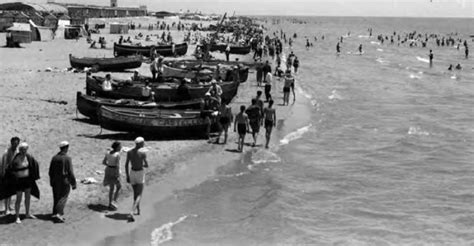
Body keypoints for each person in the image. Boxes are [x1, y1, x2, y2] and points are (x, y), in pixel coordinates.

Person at [8, 142, 40, 224]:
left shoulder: (28, 157)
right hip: (19, 181)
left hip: (27, 180)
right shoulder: (16, 158)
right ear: (19, 150)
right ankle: (17, 216)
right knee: (19, 199)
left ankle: (27, 213)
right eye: (22, 149)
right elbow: (11, 169)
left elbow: (34, 165)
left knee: (28, 197)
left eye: (25, 149)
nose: (23, 151)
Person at [49, 141, 76, 223]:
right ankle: (58, 213)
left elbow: (50, 171)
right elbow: (70, 172)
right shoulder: (67, 158)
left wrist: (51, 180)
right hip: (64, 180)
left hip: (55, 180)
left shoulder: (54, 157)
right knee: (63, 197)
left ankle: (54, 212)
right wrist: (73, 183)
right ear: (66, 148)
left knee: (56, 196)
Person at [125, 137, 149, 222]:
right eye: (143, 143)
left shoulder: (129, 152)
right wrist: (142, 164)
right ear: (140, 144)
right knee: (139, 195)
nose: (144, 144)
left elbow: (126, 164)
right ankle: (132, 212)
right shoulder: (142, 153)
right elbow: (146, 165)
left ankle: (138, 210)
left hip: (132, 172)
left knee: (135, 193)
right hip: (139, 173)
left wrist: (127, 175)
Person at [0, 136, 19, 215]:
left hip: (13, 174)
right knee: (6, 192)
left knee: (11, 191)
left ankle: (9, 206)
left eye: (17, 144)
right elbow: (3, 164)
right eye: (14, 143)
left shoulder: (17, 151)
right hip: (6, 174)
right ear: (11, 143)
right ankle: (6, 209)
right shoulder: (6, 152)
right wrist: (3, 174)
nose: (15, 145)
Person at [102, 141, 122, 211]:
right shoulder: (117, 154)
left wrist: (109, 165)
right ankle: (114, 202)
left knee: (111, 188)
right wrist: (117, 174)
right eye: (120, 146)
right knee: (119, 187)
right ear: (117, 147)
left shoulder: (108, 153)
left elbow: (104, 162)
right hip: (114, 171)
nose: (121, 147)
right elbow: (117, 165)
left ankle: (110, 203)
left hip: (108, 170)